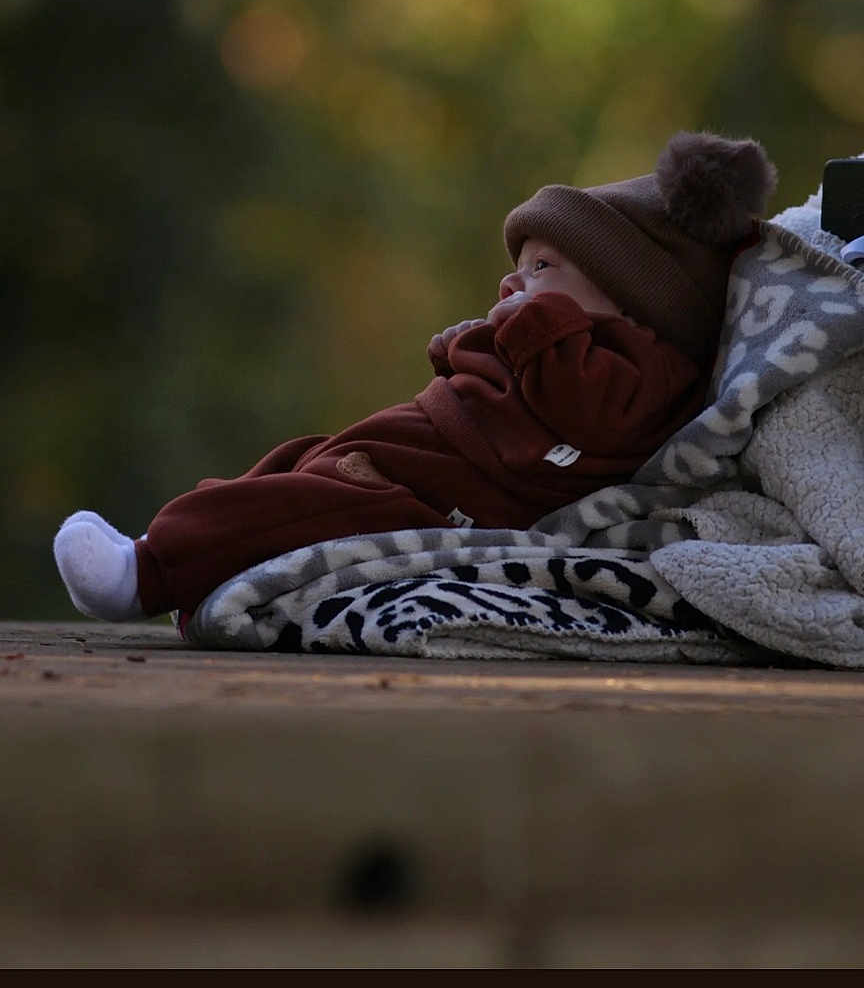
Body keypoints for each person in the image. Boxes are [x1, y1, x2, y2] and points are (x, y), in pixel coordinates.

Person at [53, 129, 777, 623]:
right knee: (292, 467)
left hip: (444, 494)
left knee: (309, 505)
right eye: (519, 268)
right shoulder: (554, 337)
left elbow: (591, 419)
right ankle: (186, 565)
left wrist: (529, 325)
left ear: (627, 294)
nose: (513, 285)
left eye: (542, 268)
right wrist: (474, 343)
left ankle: (143, 573)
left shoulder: (644, 369)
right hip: (414, 447)